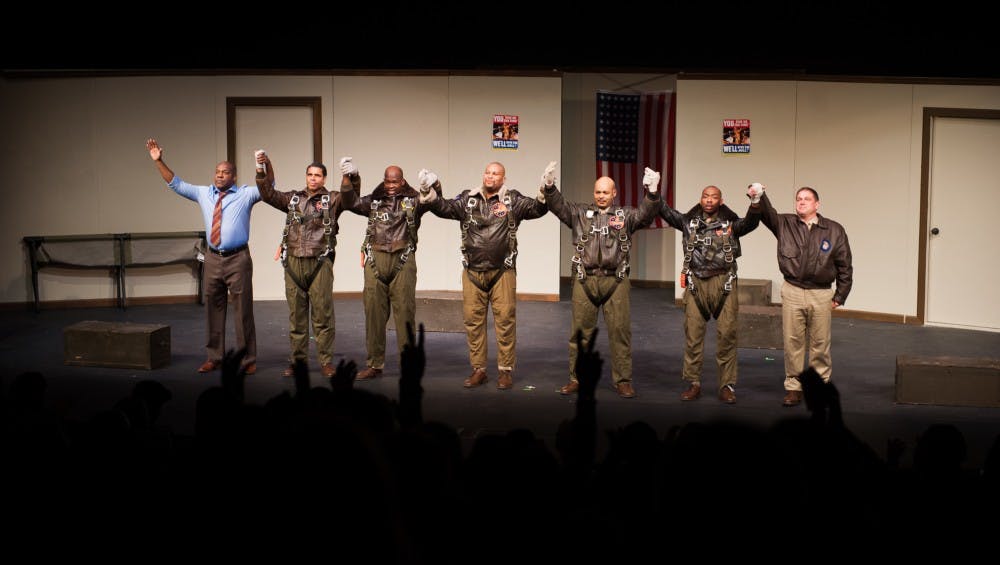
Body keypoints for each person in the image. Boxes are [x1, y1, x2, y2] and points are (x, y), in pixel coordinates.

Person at [542, 163, 661, 398]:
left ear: (614, 194)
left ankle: (623, 380)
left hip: (615, 282)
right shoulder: (579, 214)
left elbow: (645, 214)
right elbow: (559, 206)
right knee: (579, 334)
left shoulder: (624, 215)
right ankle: (576, 378)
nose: (601, 196)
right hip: (584, 280)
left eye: (606, 192)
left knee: (620, 333)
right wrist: (549, 187)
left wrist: (653, 193)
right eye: (598, 192)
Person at [426, 161, 548, 390]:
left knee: (505, 321)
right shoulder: (468, 199)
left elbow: (537, 209)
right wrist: (431, 189)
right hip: (472, 271)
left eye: (496, 174)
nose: (490, 176)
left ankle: (505, 371)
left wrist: (545, 189)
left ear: (503, 178)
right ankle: (478, 369)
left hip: (502, 271)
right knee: (473, 322)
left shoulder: (512, 200)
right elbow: (444, 208)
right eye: (487, 172)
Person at [146, 138, 260, 375]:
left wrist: (263, 166)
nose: (219, 175)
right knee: (213, 309)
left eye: (225, 172)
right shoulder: (203, 193)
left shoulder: (246, 194)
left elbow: (268, 187)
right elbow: (175, 184)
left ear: (234, 177)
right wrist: (159, 161)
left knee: (243, 311)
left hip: (237, 259)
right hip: (212, 258)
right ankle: (214, 357)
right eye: (217, 172)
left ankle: (247, 359)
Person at [749, 183, 853, 406]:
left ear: (817, 204)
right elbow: (767, 214)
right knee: (793, 341)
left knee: (820, 343)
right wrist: (760, 195)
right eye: (798, 199)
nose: (801, 202)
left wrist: (840, 295)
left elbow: (845, 265)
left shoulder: (834, 230)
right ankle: (794, 387)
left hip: (821, 293)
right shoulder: (785, 223)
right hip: (793, 290)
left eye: (806, 199)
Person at [255, 152, 354, 378]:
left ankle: (326, 361)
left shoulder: (334, 199)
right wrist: (262, 169)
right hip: (293, 264)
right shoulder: (293, 199)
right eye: (310, 174)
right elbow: (268, 194)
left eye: (318, 175)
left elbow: (351, 198)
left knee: (323, 316)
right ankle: (298, 361)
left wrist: (350, 177)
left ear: (324, 178)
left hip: (320, 262)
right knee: (296, 317)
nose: (313, 178)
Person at [659, 184, 761, 404]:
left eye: (714, 197)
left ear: (720, 201)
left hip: (724, 282)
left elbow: (750, 223)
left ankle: (726, 385)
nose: (708, 200)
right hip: (696, 283)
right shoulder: (688, 222)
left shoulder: (731, 223)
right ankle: (693, 382)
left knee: (727, 335)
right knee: (693, 336)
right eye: (705, 196)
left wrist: (755, 203)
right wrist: (652, 192)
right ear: (701, 199)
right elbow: (666, 212)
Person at [341, 160, 440, 380]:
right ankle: (374, 364)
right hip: (375, 259)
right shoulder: (375, 201)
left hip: (403, 259)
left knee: (405, 313)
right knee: (373, 314)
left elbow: (434, 201)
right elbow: (350, 203)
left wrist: (433, 184)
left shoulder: (414, 200)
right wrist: (351, 178)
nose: (391, 185)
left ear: (402, 181)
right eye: (387, 181)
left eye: (395, 181)